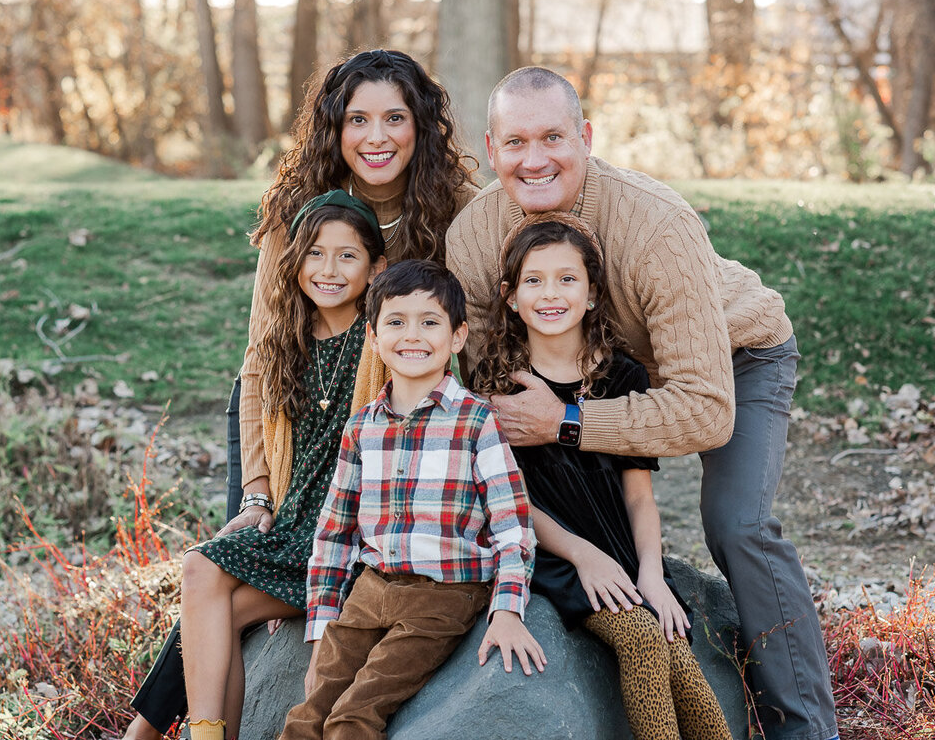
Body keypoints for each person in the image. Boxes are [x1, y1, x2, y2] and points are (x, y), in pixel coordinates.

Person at [445, 66, 837, 740]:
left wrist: (567, 423)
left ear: (586, 136)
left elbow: (705, 408)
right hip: (587, 382)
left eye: (553, 137)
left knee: (736, 521)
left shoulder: (657, 225)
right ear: (490, 148)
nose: (534, 159)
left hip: (734, 363)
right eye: (515, 143)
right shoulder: (474, 239)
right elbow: (492, 408)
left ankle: (805, 727)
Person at [124, 49, 478, 740]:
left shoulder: (453, 214)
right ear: (334, 128)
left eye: (394, 118)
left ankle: (142, 729)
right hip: (281, 409)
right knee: (222, 565)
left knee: (223, 592)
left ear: (422, 126)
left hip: (367, 440)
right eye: (358, 119)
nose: (376, 136)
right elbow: (263, 359)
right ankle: (148, 724)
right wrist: (258, 488)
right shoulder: (299, 213)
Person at [131, 191, 388, 740]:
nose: (329, 269)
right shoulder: (284, 342)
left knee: (208, 589)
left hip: (346, 534)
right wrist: (259, 498)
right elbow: (261, 424)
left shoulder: (384, 338)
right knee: (204, 576)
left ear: (376, 266)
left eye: (348, 256)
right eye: (315, 254)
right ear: (293, 260)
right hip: (293, 526)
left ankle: (164, 733)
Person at [472, 212, 732, 740]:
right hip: (551, 552)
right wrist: (581, 554)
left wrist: (652, 574)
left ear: (592, 293)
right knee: (638, 634)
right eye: (534, 281)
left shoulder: (622, 376)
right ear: (510, 296)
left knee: (676, 649)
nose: (551, 294)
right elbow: (507, 496)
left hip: (618, 549)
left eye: (567, 279)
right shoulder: (496, 384)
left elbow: (639, 498)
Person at [278, 260, 543, 740]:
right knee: (305, 717)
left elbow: (513, 524)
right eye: (396, 322)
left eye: (429, 322)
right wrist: (321, 627)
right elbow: (334, 533)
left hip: (442, 595)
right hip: (371, 590)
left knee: (353, 715)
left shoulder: (474, 421)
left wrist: (506, 608)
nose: (412, 336)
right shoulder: (362, 427)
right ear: (374, 339)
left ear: (458, 336)